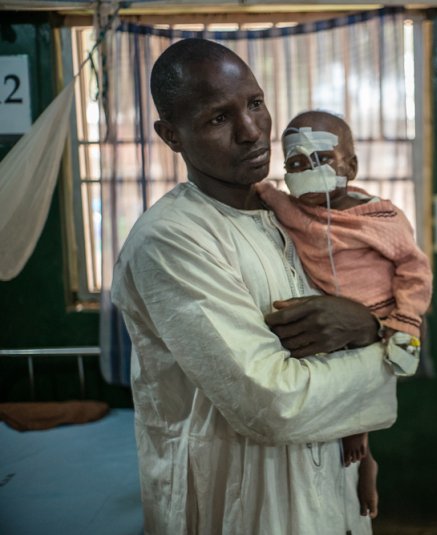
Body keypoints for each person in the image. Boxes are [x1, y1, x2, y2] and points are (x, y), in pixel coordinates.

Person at [110, 38, 418, 534]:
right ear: (171, 134)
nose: (252, 132)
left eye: (255, 104)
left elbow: (356, 320)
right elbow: (272, 404)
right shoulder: (171, 240)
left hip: (333, 476)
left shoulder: (295, 216)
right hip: (241, 500)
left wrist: (367, 329)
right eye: (217, 119)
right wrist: (386, 349)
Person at [255, 111, 433, 519]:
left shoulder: (379, 218)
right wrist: (259, 189)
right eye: (296, 163)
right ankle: (364, 454)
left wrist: (406, 321)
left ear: (350, 166)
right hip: (328, 317)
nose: (307, 170)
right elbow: (270, 195)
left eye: (322, 158)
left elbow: (413, 268)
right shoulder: (296, 211)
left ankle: (364, 449)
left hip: (382, 314)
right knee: (333, 374)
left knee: (367, 376)